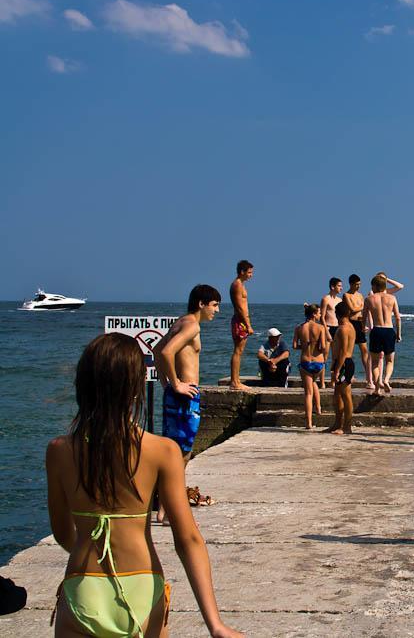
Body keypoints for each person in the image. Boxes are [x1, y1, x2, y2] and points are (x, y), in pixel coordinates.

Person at [47, 333, 243, 637]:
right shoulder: (162, 450)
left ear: (82, 387)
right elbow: (188, 539)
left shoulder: (59, 450)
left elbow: (61, 532)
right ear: (136, 389)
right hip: (142, 588)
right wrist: (214, 625)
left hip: (83, 586)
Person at [152, 284, 221, 523]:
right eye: (214, 305)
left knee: (175, 452)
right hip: (185, 397)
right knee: (181, 455)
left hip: (176, 395)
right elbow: (166, 352)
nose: (217, 310)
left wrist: (167, 384)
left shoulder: (180, 322)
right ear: (201, 304)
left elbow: (156, 348)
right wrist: (177, 383)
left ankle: (163, 509)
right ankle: (170, 509)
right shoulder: (192, 325)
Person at [365, 274, 402, 394]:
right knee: (389, 361)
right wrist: (398, 334)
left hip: (376, 330)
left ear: (375, 286)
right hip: (389, 330)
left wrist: (361, 328)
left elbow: (364, 316)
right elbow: (398, 318)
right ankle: (386, 380)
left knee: (375, 362)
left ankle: (377, 383)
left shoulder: (369, 299)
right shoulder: (392, 298)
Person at [294, 303, 328, 429]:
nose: (320, 315)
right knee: (314, 383)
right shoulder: (320, 328)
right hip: (318, 362)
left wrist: (304, 346)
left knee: (308, 393)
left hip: (305, 362)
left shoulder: (299, 328)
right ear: (314, 314)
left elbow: (294, 346)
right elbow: (323, 347)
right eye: (319, 313)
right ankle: (318, 408)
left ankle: (308, 423)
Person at [328, 301, 357, 435]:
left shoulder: (344, 329)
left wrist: (338, 369)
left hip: (344, 363)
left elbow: (344, 352)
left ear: (337, 314)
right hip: (342, 363)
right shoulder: (350, 326)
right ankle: (337, 424)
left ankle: (347, 426)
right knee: (337, 395)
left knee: (346, 395)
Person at [228, 260, 254, 391]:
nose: (251, 275)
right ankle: (234, 382)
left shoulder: (241, 284)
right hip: (240, 321)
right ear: (242, 272)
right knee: (238, 351)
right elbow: (239, 307)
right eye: (249, 272)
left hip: (242, 320)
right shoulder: (237, 285)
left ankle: (236, 380)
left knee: (240, 351)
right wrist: (248, 325)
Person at [320, 277, 344, 388]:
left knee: (336, 357)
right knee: (324, 357)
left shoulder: (340, 300)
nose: (341, 288)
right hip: (328, 328)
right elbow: (322, 317)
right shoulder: (326, 299)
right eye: (339, 286)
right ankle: (322, 381)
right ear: (332, 287)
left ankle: (333, 380)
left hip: (337, 328)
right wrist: (326, 331)